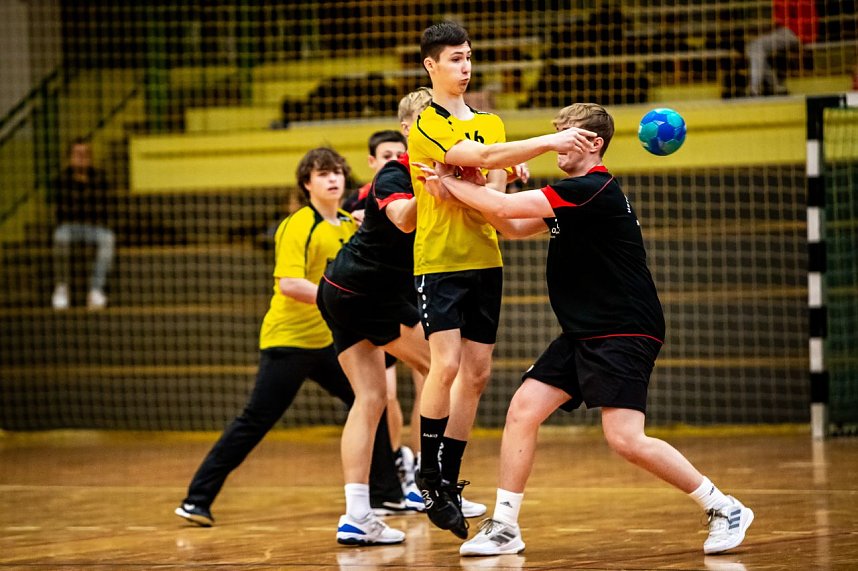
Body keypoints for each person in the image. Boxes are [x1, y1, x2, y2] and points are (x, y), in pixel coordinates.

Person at [416, 102, 755, 557]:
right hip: (583, 331)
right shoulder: (574, 194)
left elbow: (503, 205)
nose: (557, 141)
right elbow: (511, 225)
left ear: (594, 143)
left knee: (625, 438)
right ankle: (505, 527)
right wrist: (468, 186)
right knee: (522, 411)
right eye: (555, 131)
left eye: (567, 134)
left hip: (622, 329)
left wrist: (450, 182)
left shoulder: (592, 189)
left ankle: (723, 507)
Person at [406, 21, 596, 539]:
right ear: (431, 66)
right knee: (445, 365)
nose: (465, 67)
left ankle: (449, 477)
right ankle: (429, 479)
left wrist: (500, 176)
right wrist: (544, 144)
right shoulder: (427, 123)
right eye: (455, 59)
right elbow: (484, 159)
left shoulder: (490, 121)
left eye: (469, 57)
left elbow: (492, 184)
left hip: (484, 258)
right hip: (439, 260)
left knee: (477, 373)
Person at [175, 147, 403, 529]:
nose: (333, 179)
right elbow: (290, 284)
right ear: (306, 183)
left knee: (370, 401)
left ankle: (387, 493)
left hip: (328, 343)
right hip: (290, 342)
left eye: (337, 172)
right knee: (255, 420)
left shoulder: (349, 224)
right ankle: (196, 498)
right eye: (323, 174)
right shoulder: (298, 225)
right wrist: (340, 300)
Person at [51, 138, 115, 310]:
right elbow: (63, 211)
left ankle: (96, 290)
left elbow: (102, 207)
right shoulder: (62, 180)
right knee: (60, 236)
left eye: (85, 154)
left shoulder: (99, 178)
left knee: (108, 238)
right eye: (77, 154)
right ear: (69, 157)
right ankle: (61, 288)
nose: (81, 157)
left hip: (94, 227)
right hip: (69, 227)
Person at [746, 0, 818, 97]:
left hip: (797, 32)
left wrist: (760, 31)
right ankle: (776, 86)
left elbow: (779, 23)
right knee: (752, 48)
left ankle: (755, 89)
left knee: (755, 46)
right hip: (801, 31)